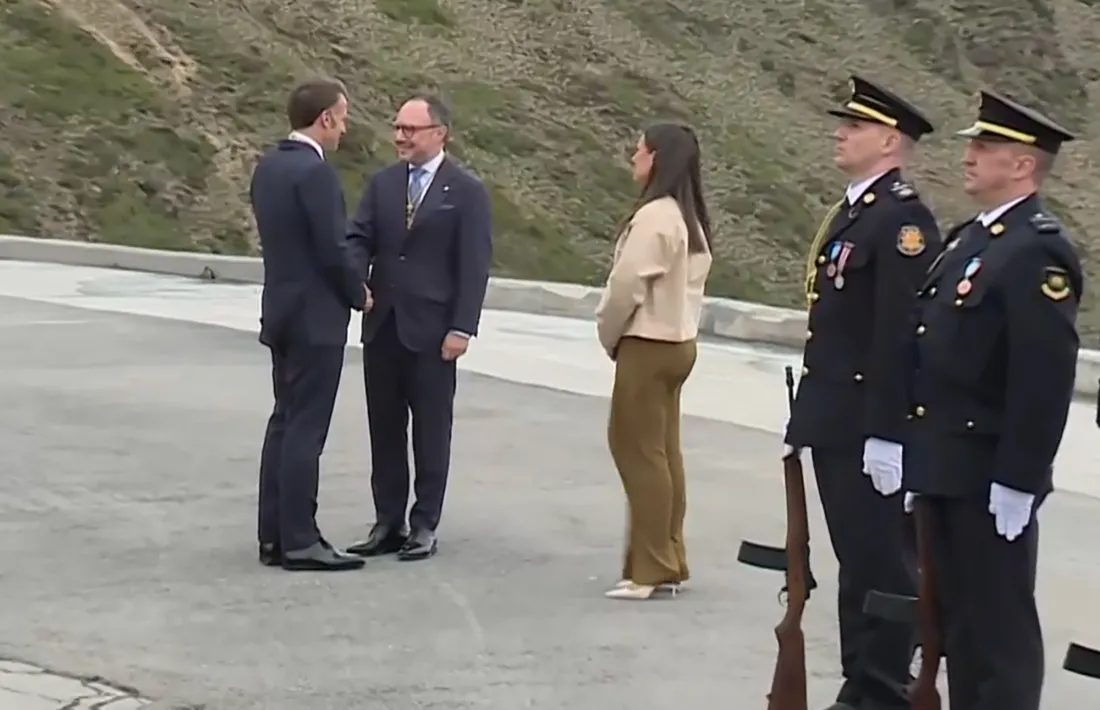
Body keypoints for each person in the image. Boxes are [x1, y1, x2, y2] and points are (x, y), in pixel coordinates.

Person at [902, 90, 1082, 710]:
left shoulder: (1036, 249)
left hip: (986, 475)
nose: (969, 156)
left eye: (986, 147)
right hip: (944, 464)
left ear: (1024, 165)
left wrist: (1019, 478)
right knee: (953, 629)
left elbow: (1043, 377)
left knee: (997, 631)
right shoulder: (969, 239)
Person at [782, 75, 941, 709]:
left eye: (856, 126)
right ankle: (861, 680)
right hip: (835, 414)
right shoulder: (857, 211)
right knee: (856, 560)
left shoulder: (902, 220)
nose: (840, 133)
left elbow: (899, 333)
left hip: (867, 422)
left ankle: (881, 687)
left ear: (890, 141)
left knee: (881, 565)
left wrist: (888, 430)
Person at [345, 94, 492, 562]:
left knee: (431, 430)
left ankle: (424, 521)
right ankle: (388, 520)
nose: (400, 137)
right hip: (383, 326)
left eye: (411, 129)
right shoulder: (383, 184)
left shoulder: (465, 191)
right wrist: (354, 281)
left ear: (439, 133)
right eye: (398, 128)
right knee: (384, 429)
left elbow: (474, 265)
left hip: (432, 333)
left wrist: (461, 328)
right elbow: (359, 238)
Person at [250, 77, 369, 572]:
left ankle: (273, 535)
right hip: (315, 318)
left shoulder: (269, 167)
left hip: (280, 308)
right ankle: (301, 538)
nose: (343, 129)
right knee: (305, 428)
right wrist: (358, 292)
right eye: (341, 117)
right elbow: (332, 248)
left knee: (283, 421)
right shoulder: (315, 174)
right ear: (324, 118)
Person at [594, 123, 713, 601]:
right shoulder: (688, 217)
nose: (632, 160)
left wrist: (608, 333)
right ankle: (668, 555)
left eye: (638, 151)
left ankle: (648, 568)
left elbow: (626, 286)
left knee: (636, 451)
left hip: (648, 342)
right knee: (664, 453)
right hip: (679, 342)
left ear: (657, 158)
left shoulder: (655, 218)